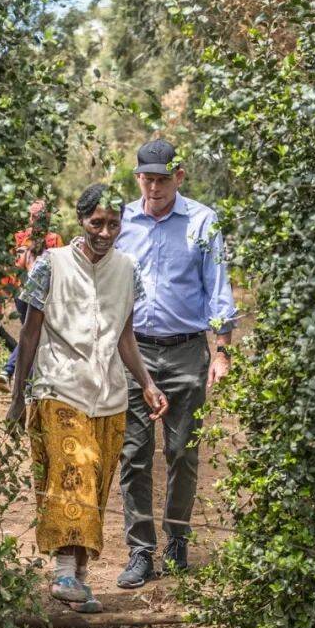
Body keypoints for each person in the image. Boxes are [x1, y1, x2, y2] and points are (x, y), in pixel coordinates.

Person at [6, 183, 169, 613]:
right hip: (59, 387)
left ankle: (78, 580)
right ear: (81, 221)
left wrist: (147, 384)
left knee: (93, 484)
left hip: (110, 395)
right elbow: (29, 333)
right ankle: (63, 572)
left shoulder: (126, 269)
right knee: (72, 472)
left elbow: (125, 336)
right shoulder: (52, 264)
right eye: (97, 222)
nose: (105, 232)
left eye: (113, 223)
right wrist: (18, 393)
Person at [114, 139, 237, 589]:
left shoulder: (203, 222)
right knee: (134, 454)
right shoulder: (121, 221)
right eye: (147, 178)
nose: (154, 187)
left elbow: (218, 286)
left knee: (182, 452)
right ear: (137, 177)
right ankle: (140, 550)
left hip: (186, 350)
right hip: (134, 352)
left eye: (163, 179)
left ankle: (177, 541)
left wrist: (221, 350)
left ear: (179, 177)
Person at [0, 199, 64, 391]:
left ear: (30, 218)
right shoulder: (53, 239)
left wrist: (0, 296)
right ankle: (11, 372)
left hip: (21, 295)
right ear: (48, 218)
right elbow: (61, 269)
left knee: (32, 334)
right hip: (41, 297)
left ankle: (22, 381)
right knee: (36, 335)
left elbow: (8, 269)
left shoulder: (20, 238)